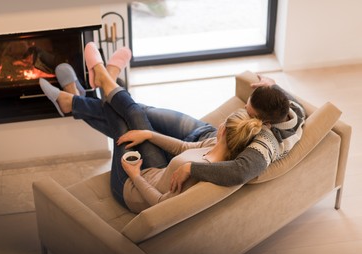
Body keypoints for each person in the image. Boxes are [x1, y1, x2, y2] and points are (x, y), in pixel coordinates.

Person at [44, 42, 306, 193]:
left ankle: (98, 82)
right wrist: (272, 86)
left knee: (129, 115)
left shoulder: (264, 146)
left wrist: (190, 167)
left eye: (248, 111)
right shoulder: (292, 113)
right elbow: (293, 106)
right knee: (139, 110)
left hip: (201, 153)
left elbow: (240, 171)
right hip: (207, 138)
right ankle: (95, 87)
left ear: (265, 123)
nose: (242, 111)